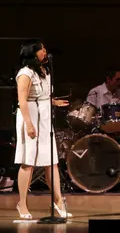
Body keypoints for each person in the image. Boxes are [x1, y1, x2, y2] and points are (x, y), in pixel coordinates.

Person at [15, 39, 72, 219]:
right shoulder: (25, 73)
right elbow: (23, 100)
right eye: (41, 49)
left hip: (44, 118)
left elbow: (42, 95)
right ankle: (22, 203)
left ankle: (58, 201)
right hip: (30, 116)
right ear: (32, 52)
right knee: (28, 161)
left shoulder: (44, 71)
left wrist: (53, 102)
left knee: (51, 161)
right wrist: (29, 125)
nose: (45, 51)